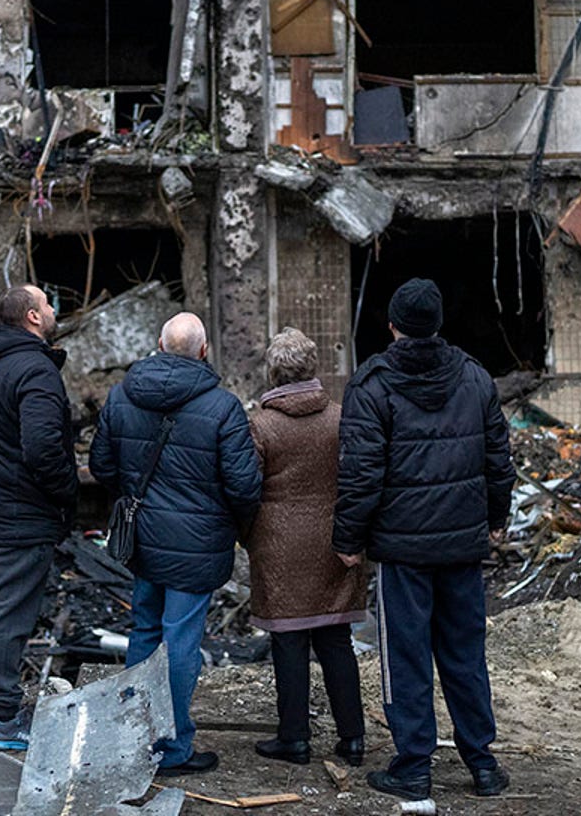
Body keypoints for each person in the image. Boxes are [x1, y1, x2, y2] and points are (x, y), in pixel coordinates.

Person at [335, 278, 517, 802]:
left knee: (406, 658)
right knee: (465, 654)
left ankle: (413, 766)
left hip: (403, 550)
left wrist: (349, 538)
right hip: (461, 545)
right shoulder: (474, 377)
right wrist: (496, 517)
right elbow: (498, 458)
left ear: (392, 325)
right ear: (437, 324)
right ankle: (482, 764)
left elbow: (360, 475)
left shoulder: (372, 386)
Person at [90, 312, 261, 776]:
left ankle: (133, 738)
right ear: (204, 351)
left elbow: (101, 465)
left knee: (145, 630)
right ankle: (172, 748)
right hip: (198, 544)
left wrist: (134, 494)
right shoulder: (223, 407)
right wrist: (232, 524)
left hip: (143, 538)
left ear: (160, 345)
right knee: (180, 639)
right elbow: (244, 485)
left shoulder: (121, 395)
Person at [245, 328, 368, 768]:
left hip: (279, 546)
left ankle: (294, 738)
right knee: (336, 639)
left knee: (289, 641)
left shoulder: (260, 424)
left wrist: (247, 535)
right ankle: (353, 738)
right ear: (313, 366)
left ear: (273, 372)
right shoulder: (340, 418)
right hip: (334, 541)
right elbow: (358, 476)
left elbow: (246, 487)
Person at [0, 284, 76, 751]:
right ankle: (6, 718)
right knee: (10, 613)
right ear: (32, 316)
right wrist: (67, 490)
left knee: (3, 606)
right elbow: (42, 446)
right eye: (47, 304)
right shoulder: (34, 368)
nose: (52, 310)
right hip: (23, 508)